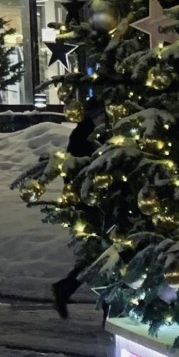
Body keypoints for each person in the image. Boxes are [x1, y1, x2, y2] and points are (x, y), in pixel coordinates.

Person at [51, 101, 103, 316]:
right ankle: (68, 287)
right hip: (94, 201)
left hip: (94, 200)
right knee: (103, 251)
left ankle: (66, 287)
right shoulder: (87, 136)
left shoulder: (87, 133)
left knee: (100, 252)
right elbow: (77, 169)